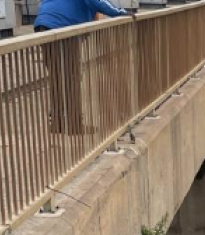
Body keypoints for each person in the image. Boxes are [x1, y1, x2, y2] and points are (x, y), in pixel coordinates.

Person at [34, 0, 133, 134]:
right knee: (71, 77)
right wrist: (121, 13)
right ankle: (74, 124)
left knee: (57, 77)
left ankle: (58, 122)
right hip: (63, 27)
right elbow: (98, 2)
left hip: (43, 25)